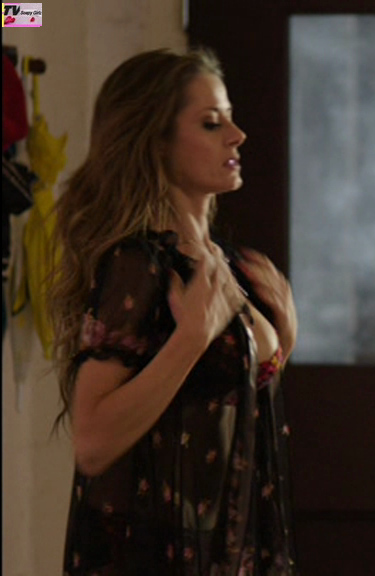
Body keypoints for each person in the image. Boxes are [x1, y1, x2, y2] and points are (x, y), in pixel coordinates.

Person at [47, 48, 299, 574]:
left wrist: (280, 346)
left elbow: (218, 398)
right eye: (211, 123)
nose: (237, 135)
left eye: (229, 118)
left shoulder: (226, 264)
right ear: (157, 142)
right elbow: (92, 444)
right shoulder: (139, 265)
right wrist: (190, 340)